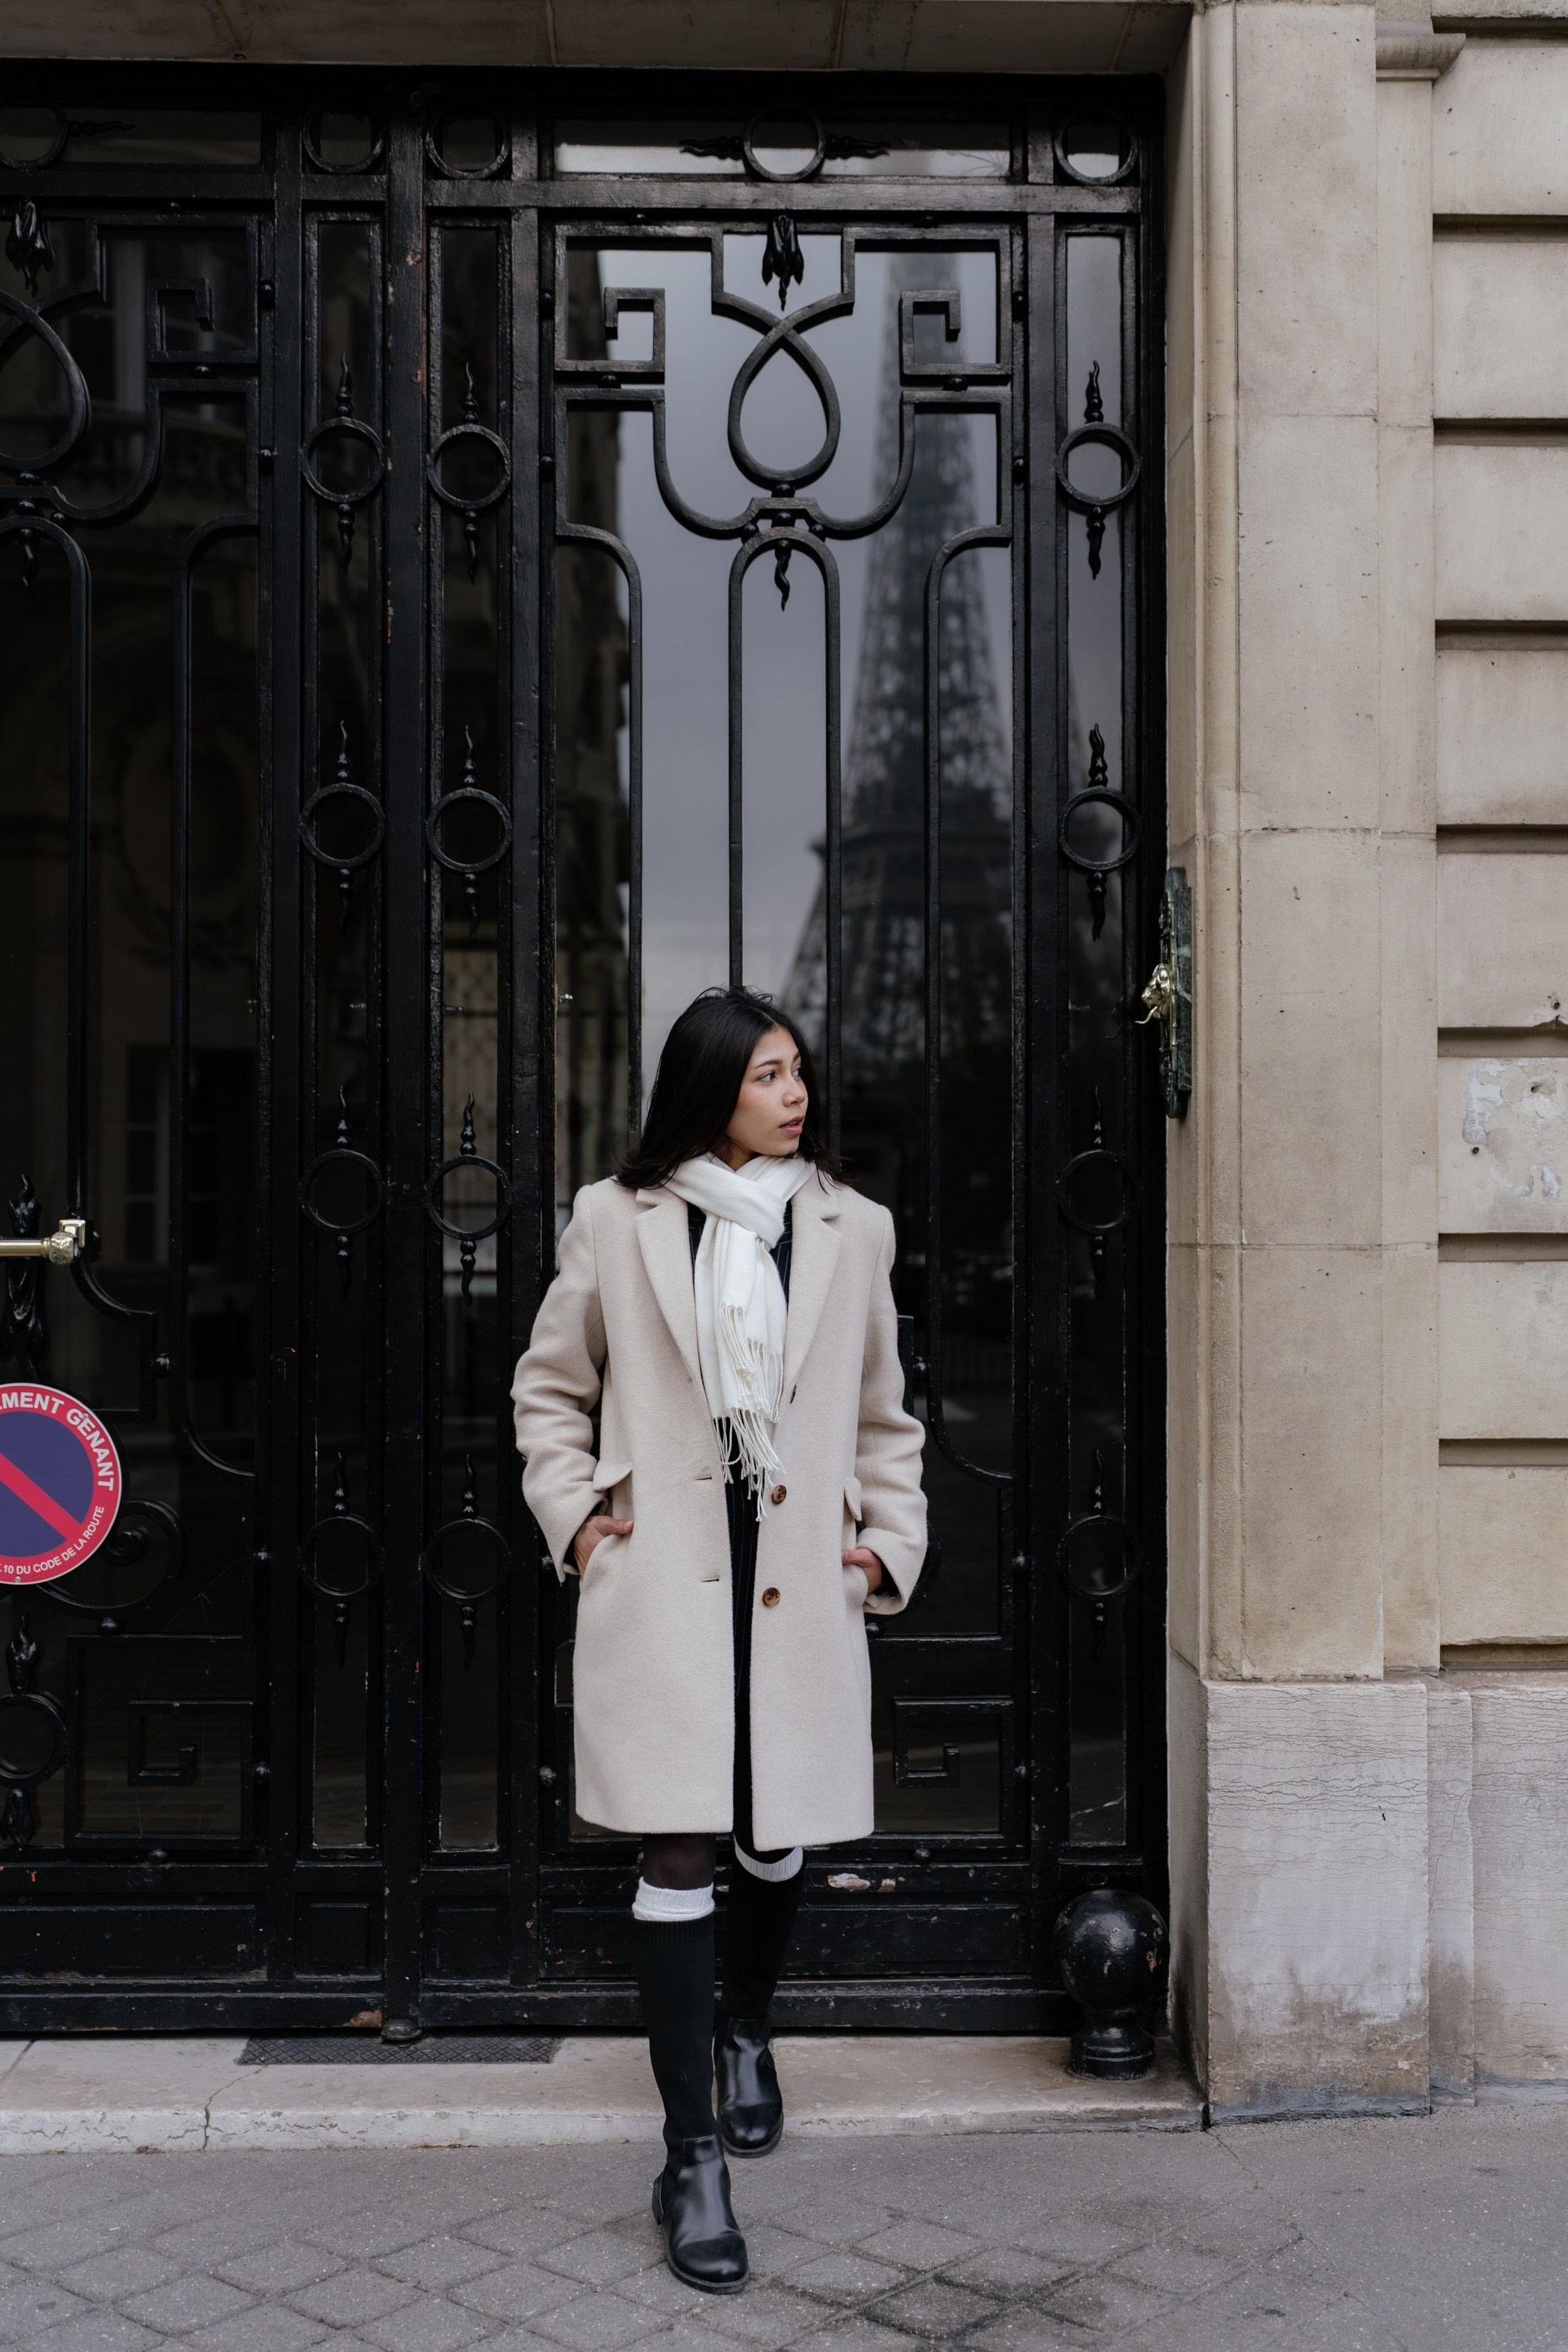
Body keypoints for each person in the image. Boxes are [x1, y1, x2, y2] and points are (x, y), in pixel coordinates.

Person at [512, 986, 927, 2292]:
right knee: (680, 1837)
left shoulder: (853, 1229)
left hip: (799, 1573)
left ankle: (748, 2027)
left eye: (798, 1069)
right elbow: (549, 1387)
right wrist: (579, 1524)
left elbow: (884, 1418)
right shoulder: (616, 1218)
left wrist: (887, 1547)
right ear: (707, 1092)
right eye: (765, 1075)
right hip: (667, 1580)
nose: (793, 1093)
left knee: (774, 1824)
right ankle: (691, 2153)